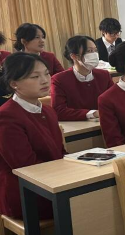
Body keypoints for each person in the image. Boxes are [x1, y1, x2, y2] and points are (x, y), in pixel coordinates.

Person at [0, 53, 64, 219]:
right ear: (14, 83)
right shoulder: (6, 116)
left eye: (47, 74)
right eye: (35, 77)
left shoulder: (47, 110)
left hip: (54, 182)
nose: (45, 80)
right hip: (26, 193)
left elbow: (60, 153)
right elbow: (26, 166)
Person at [51, 35, 113, 121]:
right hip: (77, 125)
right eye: (89, 51)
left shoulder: (104, 75)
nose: (94, 54)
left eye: (95, 50)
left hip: (105, 122)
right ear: (74, 56)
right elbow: (59, 111)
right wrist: (92, 113)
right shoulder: (59, 79)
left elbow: (114, 100)